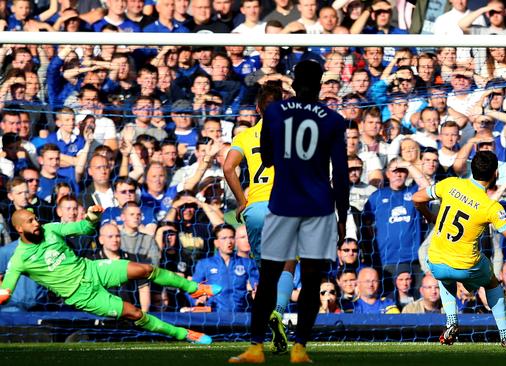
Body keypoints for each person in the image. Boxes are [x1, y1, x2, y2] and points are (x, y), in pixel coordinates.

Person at [229, 60, 348, 363]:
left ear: (293, 85)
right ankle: (300, 349)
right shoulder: (333, 120)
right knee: (309, 280)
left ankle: (256, 347)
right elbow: (342, 176)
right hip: (317, 205)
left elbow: (268, 158)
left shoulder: (276, 114)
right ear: (321, 86)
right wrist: (342, 219)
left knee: (269, 273)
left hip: (281, 201)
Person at [0, 207, 221, 344]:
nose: (36, 223)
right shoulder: (19, 258)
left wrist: (92, 218)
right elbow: (6, 291)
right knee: (133, 313)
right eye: (30, 221)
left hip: (92, 269)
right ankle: (183, 334)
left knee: (144, 269)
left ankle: (195, 288)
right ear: (19, 229)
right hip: (82, 295)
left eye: (35, 218)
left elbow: (84, 228)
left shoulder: (51, 229)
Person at [413, 151, 506, 347]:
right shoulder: (491, 206)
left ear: (472, 169)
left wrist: (430, 216)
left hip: (436, 261)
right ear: (495, 174)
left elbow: (416, 198)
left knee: (444, 276)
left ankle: (451, 322)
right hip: (466, 265)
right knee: (492, 284)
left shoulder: (451, 183)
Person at [223, 84, 296, 355]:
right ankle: (278, 312)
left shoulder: (245, 136)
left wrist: (242, 201)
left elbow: (228, 167)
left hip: (255, 210)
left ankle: (256, 340)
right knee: (288, 263)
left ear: (256, 109)